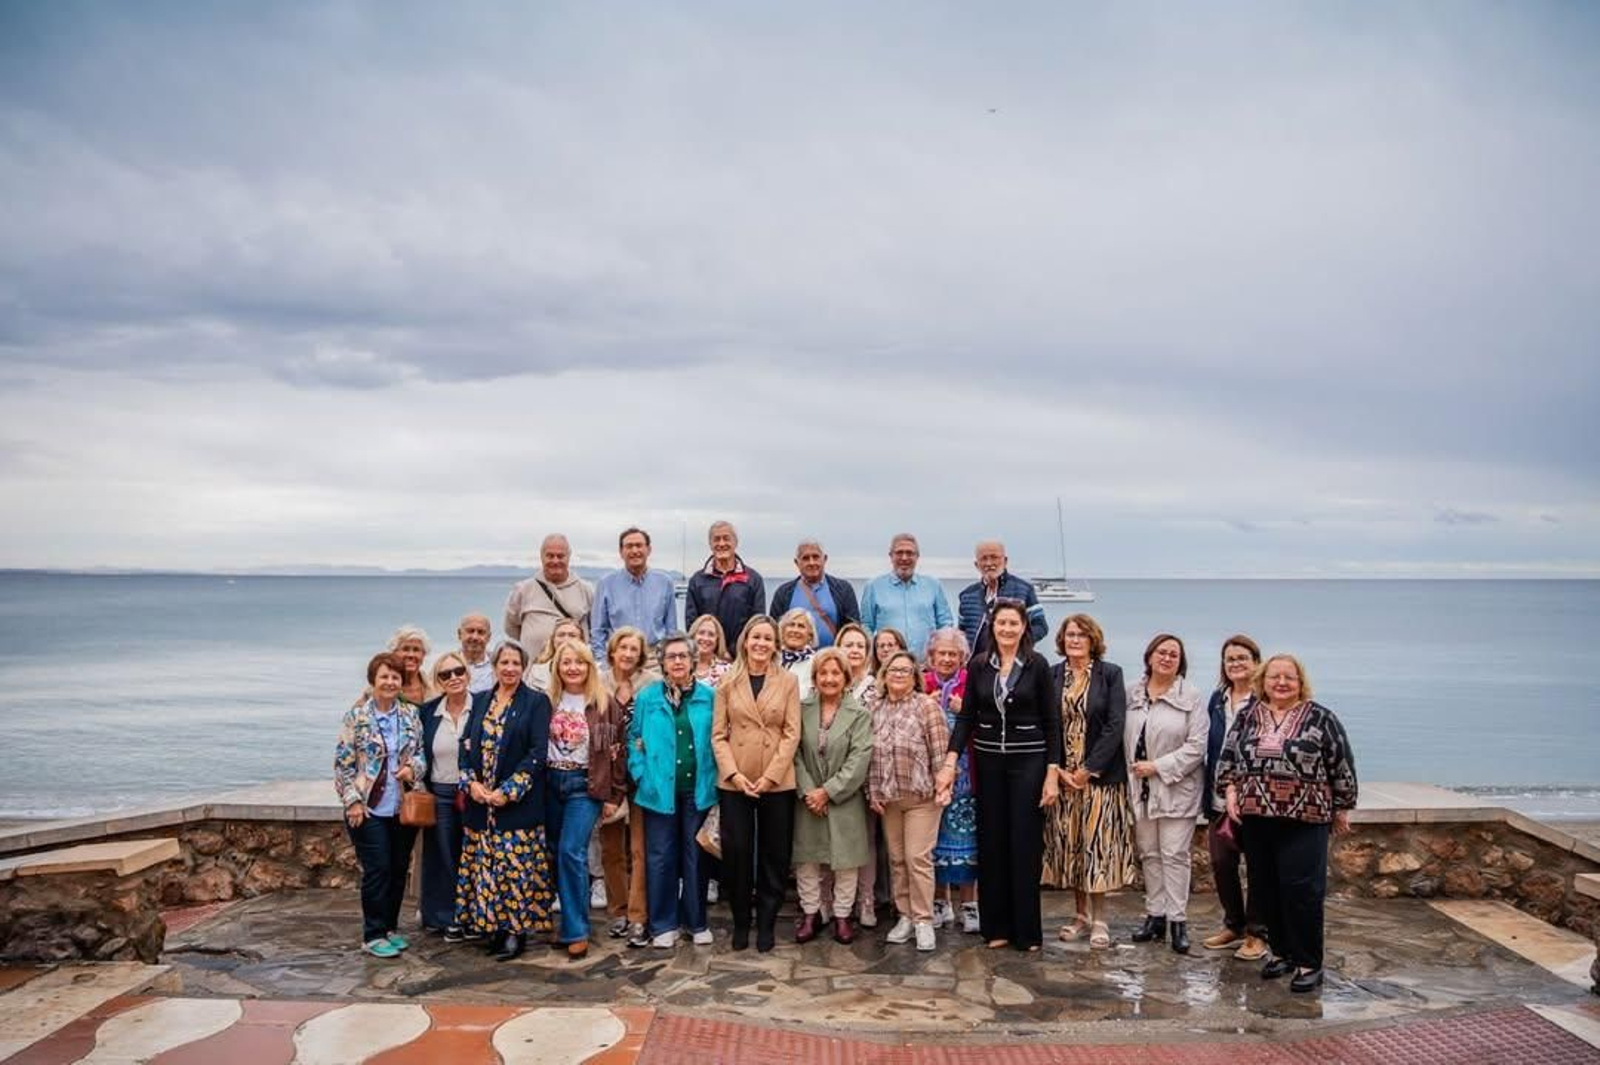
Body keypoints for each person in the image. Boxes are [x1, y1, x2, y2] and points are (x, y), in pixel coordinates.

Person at [1218, 654, 1358, 994]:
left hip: (1305, 818)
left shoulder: (1321, 718)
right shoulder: (1248, 716)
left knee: (1303, 892)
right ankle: (1281, 953)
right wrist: (1231, 790)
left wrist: (1343, 806)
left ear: (1300, 682)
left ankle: (1309, 963)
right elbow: (1228, 758)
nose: (1281, 683)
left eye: (1289, 677)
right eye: (1274, 677)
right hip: (1256, 818)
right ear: (1262, 681)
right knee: (1267, 890)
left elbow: (1341, 762)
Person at [938, 599, 1060, 952]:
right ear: (993, 627)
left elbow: (1052, 723)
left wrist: (1052, 773)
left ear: (1024, 627)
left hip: (1029, 763)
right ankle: (997, 928)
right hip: (989, 763)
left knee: (1024, 844)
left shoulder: (1037, 666)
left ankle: (1027, 931)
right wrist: (950, 761)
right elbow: (966, 719)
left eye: (1013, 623)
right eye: (1001, 623)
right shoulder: (979, 666)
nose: (1007, 629)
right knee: (992, 843)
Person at [456, 640, 555, 962]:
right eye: (504, 663)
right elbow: (466, 745)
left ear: (523, 667)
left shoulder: (536, 702)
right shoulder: (481, 700)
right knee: (487, 871)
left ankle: (515, 932)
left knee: (515, 871)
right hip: (480, 807)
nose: (509, 668)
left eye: (515, 663)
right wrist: (471, 783)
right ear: (495, 666)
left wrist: (508, 791)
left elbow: (538, 753)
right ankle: (495, 928)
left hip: (516, 806)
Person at [1043, 615, 1138, 951]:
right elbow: (1047, 724)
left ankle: (1100, 918)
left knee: (1097, 848)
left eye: (1082, 635)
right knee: (1071, 850)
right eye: (1070, 634)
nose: (1075, 640)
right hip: (1064, 779)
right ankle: (1080, 915)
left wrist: (1088, 768)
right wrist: (1060, 770)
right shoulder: (1053, 675)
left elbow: (1115, 724)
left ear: (1093, 639)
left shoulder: (1110, 674)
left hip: (1099, 779)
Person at [711, 615, 800, 953]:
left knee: (774, 854)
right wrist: (734, 774)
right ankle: (740, 921)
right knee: (736, 853)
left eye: (767, 638)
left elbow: (792, 732)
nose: (761, 644)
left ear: (775, 644)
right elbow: (718, 735)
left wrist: (771, 776)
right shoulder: (727, 682)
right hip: (736, 780)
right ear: (745, 641)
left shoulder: (788, 681)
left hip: (776, 781)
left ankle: (766, 920)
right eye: (755, 637)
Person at [335, 652, 427, 958]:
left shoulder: (410, 715)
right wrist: (353, 803)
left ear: (401, 682)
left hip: (401, 807)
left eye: (395, 677)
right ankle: (372, 934)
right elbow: (343, 765)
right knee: (378, 869)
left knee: (399, 869)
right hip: (368, 808)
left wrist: (413, 768)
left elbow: (421, 754)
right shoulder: (357, 717)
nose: (390, 682)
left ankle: (389, 928)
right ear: (373, 680)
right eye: (384, 676)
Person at [630, 635, 719, 948]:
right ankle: (663, 923)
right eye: (671, 657)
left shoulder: (710, 696)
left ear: (693, 660)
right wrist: (641, 774)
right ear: (663, 662)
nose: (678, 662)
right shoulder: (647, 698)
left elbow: (720, 737)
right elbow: (634, 739)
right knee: (660, 856)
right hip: (658, 790)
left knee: (695, 855)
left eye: (683, 656)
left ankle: (695, 922)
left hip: (699, 789)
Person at [543, 641, 627, 959]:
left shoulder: (603, 704)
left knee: (571, 851)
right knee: (554, 852)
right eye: (566, 662)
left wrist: (614, 795)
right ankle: (565, 922)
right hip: (550, 783)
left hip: (585, 785)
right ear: (557, 667)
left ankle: (576, 930)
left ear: (590, 666)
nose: (573, 667)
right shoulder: (547, 701)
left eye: (580, 662)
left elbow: (616, 754)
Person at [1125, 633, 1208, 955]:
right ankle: (1155, 915)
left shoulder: (1192, 696)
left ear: (1180, 661)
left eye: (1174, 654)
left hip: (1175, 788)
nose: (1167, 658)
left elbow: (1197, 746)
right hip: (1141, 789)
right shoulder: (1132, 692)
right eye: (1162, 652)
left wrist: (1158, 766)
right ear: (1149, 656)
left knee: (1175, 855)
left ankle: (1178, 921)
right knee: (1149, 853)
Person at [867, 650, 951, 952]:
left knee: (918, 858)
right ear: (884, 674)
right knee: (897, 860)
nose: (899, 674)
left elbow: (941, 752)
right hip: (889, 798)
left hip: (922, 797)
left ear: (914, 675)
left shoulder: (926, 706)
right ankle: (904, 915)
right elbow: (869, 756)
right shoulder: (874, 709)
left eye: (905, 670)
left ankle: (924, 920)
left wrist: (944, 785)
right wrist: (872, 791)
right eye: (893, 669)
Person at [792, 648, 874, 945]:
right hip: (808, 798)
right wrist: (810, 791)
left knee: (847, 861)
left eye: (835, 673)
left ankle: (842, 916)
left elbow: (860, 759)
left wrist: (828, 792)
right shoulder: (801, 709)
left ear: (846, 678)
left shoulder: (860, 715)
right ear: (814, 677)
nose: (829, 678)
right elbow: (795, 753)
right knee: (807, 859)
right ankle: (811, 914)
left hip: (844, 798)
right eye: (823, 673)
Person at [1201, 635, 1268, 960]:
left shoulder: (1265, 700)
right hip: (1218, 798)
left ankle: (1257, 934)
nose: (1236, 664)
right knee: (1221, 863)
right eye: (1230, 659)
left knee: (1257, 868)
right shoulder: (1217, 699)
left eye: (1242, 658)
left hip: (1254, 800)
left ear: (1256, 662)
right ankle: (1234, 924)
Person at [923, 628, 979, 935]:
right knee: (932, 839)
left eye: (952, 654)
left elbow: (986, 723)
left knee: (967, 839)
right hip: (930, 775)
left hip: (967, 775)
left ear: (962, 658)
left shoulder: (972, 684)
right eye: (941, 653)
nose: (946, 659)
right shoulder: (921, 684)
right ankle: (939, 902)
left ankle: (969, 904)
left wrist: (966, 711)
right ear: (930, 657)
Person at [600, 627, 651, 945]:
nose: (628, 654)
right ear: (613, 651)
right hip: (607, 776)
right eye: (623, 648)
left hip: (641, 775)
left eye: (634, 649)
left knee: (639, 848)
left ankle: (637, 915)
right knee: (610, 849)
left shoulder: (651, 685)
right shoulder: (598, 684)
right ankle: (617, 911)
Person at [420, 652, 473, 937]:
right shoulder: (428, 713)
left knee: (472, 853)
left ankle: (474, 913)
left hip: (473, 792)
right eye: (445, 674)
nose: (453, 677)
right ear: (438, 681)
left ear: (467, 673)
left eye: (458, 671)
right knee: (443, 855)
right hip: (440, 792)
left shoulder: (482, 706)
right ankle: (446, 915)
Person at [860, 534, 953, 659]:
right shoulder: (873, 586)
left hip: (925, 666)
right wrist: (873, 657)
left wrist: (941, 653)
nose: (904, 558)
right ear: (891, 556)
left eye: (909, 553)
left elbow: (945, 623)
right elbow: (866, 626)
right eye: (899, 553)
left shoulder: (933, 585)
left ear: (917, 556)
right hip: (888, 666)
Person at [591, 527, 677, 661]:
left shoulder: (665, 583)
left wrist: (667, 660)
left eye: (639, 545)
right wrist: (603, 662)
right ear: (621, 552)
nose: (634, 551)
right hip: (619, 658)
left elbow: (671, 630)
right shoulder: (606, 584)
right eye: (629, 546)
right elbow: (597, 631)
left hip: (654, 659)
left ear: (648, 550)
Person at [505, 534, 595, 658]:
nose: (555, 561)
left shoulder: (586, 589)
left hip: (573, 669)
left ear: (568, 557)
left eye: (560, 556)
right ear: (542, 557)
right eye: (550, 556)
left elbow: (595, 630)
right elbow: (511, 627)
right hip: (533, 669)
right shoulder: (523, 589)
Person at [686, 521, 767, 650]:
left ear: (735, 542)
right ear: (710, 544)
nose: (721, 544)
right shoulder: (697, 581)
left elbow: (757, 623)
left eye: (726, 538)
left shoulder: (753, 580)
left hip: (741, 655)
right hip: (707, 654)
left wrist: (734, 651)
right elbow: (692, 623)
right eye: (716, 539)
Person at [957, 541, 1048, 654]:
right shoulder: (967, 595)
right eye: (984, 558)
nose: (989, 563)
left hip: (1014, 664)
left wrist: (1017, 643)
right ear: (976, 564)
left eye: (994, 557)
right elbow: (961, 634)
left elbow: (1041, 627)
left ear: (1005, 561)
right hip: (976, 666)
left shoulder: (1024, 589)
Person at [767, 540, 861, 648]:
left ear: (824, 559)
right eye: (805, 558)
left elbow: (854, 629)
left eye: (816, 557)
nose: (811, 562)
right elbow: (774, 630)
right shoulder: (783, 593)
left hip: (832, 660)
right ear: (797, 562)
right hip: (795, 660)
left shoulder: (843, 589)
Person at [527, 618, 585, 693]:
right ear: (553, 640)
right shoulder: (537, 671)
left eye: (572, 635)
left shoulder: (592, 671)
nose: (566, 639)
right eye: (561, 635)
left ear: (581, 641)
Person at [777, 608, 818, 698]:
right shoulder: (771, 658)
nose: (795, 630)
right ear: (782, 630)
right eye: (791, 625)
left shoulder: (817, 664)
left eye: (801, 626)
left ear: (810, 635)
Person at [386, 626, 433, 705]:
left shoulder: (434, 689)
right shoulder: (380, 689)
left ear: (423, 655)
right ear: (394, 654)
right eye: (405, 649)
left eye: (416, 650)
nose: (411, 655)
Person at [836, 623, 876, 703]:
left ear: (866, 651)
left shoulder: (876, 688)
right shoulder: (826, 682)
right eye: (849, 645)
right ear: (838, 649)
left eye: (860, 646)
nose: (855, 650)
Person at [456, 615, 496, 694]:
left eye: (481, 632)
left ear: (488, 637)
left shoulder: (499, 667)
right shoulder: (444, 667)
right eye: (470, 631)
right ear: (460, 634)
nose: (475, 637)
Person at [689, 614, 732, 686]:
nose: (705, 638)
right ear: (693, 636)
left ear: (717, 640)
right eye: (701, 633)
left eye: (711, 634)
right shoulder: (681, 666)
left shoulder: (727, 670)